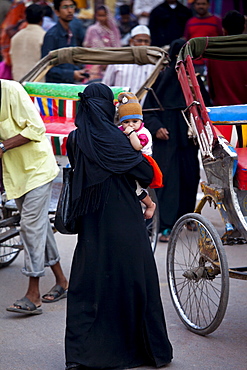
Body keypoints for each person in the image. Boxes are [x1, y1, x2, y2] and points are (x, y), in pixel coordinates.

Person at [65, 83, 173, 369]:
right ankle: (145, 350)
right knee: (134, 278)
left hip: (91, 223)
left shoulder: (75, 139)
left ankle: (81, 356)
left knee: (89, 283)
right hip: (124, 219)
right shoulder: (118, 139)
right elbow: (145, 172)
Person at [1, 79, 68, 315]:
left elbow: (35, 129)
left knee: (29, 226)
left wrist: (2, 147)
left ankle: (33, 294)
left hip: (38, 169)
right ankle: (62, 280)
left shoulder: (11, 90)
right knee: (40, 227)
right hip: (15, 173)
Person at [143, 39, 202, 242]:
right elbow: (147, 109)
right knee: (167, 180)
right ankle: (166, 225)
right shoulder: (161, 78)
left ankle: (187, 217)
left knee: (189, 177)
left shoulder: (195, 79)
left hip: (188, 138)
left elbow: (205, 107)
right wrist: (156, 127)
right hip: (166, 138)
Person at [207, 10, 247, 142]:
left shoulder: (213, 55)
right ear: (244, 28)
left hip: (222, 117)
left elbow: (211, 89)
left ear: (223, 30)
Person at [118, 91, 157, 219]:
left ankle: (150, 204)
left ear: (141, 120)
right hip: (128, 161)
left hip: (142, 163)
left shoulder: (142, 133)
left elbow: (137, 146)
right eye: (126, 122)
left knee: (136, 187)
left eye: (135, 121)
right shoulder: (121, 130)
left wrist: (130, 134)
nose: (131, 125)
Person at [102, 25, 155, 100]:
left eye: (146, 41)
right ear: (131, 41)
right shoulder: (118, 60)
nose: (143, 44)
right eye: (139, 41)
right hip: (119, 106)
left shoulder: (153, 64)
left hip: (144, 108)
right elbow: (106, 85)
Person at [41, 0, 86, 83]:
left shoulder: (71, 32)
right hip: (56, 87)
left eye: (71, 6)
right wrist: (71, 74)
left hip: (70, 84)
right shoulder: (52, 35)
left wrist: (79, 71)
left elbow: (70, 60)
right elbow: (46, 67)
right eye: (65, 7)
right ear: (57, 12)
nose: (69, 10)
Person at [82, 5, 121, 83]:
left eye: (103, 15)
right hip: (95, 63)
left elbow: (118, 47)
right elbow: (87, 46)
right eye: (99, 16)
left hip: (112, 62)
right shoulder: (92, 29)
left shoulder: (114, 30)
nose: (101, 18)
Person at [183, 0, 222, 75]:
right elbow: (186, 41)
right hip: (194, 64)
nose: (201, 6)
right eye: (198, 4)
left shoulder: (217, 21)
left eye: (203, 4)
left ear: (209, 5)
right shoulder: (190, 22)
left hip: (213, 63)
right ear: (194, 6)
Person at [10, 4, 45, 82]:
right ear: (42, 18)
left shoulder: (16, 37)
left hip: (18, 84)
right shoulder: (44, 37)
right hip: (37, 85)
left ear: (25, 17)